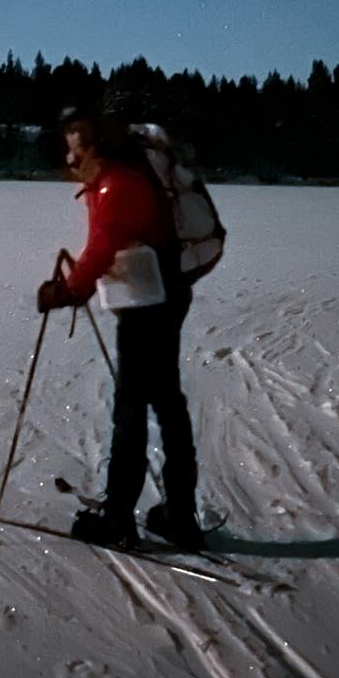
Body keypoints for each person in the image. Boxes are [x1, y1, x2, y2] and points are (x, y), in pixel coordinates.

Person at [37, 111, 204, 550]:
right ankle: (180, 517)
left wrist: (67, 292)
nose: (70, 158)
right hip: (160, 297)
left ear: (98, 147)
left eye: (77, 147)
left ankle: (119, 520)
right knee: (166, 402)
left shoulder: (117, 183)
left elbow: (101, 246)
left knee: (133, 408)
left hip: (150, 307)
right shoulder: (117, 179)